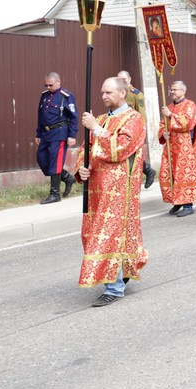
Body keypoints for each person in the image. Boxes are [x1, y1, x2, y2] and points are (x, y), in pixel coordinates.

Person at [75, 77, 148, 307]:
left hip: (119, 191)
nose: (104, 96)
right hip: (98, 188)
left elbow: (120, 149)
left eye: (108, 92)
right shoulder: (100, 119)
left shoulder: (133, 119)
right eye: (102, 92)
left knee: (111, 237)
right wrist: (82, 168)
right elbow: (86, 149)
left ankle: (114, 288)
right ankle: (119, 274)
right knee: (93, 235)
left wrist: (96, 130)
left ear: (122, 93)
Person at [158, 80, 196, 217]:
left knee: (183, 173)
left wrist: (171, 115)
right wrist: (163, 133)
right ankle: (176, 201)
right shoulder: (169, 106)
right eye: (171, 89)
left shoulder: (190, 105)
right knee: (167, 172)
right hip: (170, 144)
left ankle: (188, 204)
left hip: (184, 145)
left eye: (175, 89)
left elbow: (188, 124)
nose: (172, 92)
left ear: (183, 91)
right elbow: (162, 124)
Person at [35, 71, 78, 204]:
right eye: (46, 85)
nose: (48, 87)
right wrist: (38, 133)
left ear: (58, 82)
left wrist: (72, 135)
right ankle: (66, 177)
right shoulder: (44, 96)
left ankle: (55, 194)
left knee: (55, 161)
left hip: (59, 133)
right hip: (45, 133)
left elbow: (73, 116)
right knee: (42, 158)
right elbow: (40, 116)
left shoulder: (66, 96)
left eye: (50, 85)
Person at [117, 70, 157, 188]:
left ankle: (146, 172)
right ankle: (148, 170)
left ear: (129, 79)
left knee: (131, 154)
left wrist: (140, 130)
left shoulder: (136, 94)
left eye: (124, 79)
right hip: (120, 129)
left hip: (133, 129)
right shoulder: (117, 93)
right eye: (119, 80)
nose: (122, 82)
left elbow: (141, 115)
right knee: (126, 154)